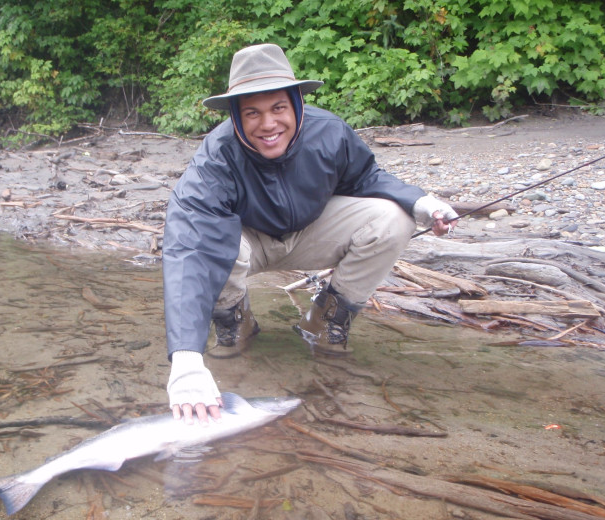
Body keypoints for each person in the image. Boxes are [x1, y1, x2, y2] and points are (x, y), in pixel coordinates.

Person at [162, 43, 457, 425]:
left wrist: (422, 204)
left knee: (393, 216)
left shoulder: (330, 133)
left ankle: (324, 323)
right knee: (211, 245)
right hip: (248, 243)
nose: (268, 125)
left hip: (311, 234)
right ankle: (236, 325)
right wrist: (185, 360)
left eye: (278, 109)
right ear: (235, 116)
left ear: (297, 104)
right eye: (252, 113)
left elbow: (366, 177)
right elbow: (188, 248)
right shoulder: (216, 157)